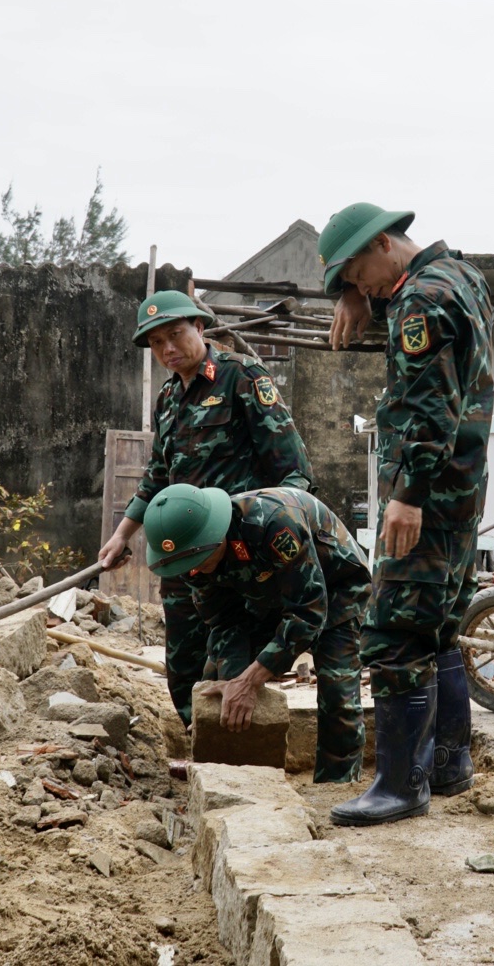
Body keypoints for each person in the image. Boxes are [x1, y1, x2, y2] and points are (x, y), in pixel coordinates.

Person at [317, 203, 494, 826]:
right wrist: (367, 300)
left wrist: (407, 494)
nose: (356, 289)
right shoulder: (458, 278)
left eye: (357, 274)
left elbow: (428, 402)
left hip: (428, 492)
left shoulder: (419, 303)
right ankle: (448, 764)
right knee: (439, 626)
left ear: (385, 244)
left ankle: (399, 784)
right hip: (462, 489)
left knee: (392, 631)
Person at [98, 289, 313, 727]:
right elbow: (157, 476)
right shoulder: (167, 399)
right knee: (184, 664)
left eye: (175, 336)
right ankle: (197, 745)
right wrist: (123, 534)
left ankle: (237, 760)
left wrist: (276, 537)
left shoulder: (243, 377)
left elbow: (294, 472)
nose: (168, 350)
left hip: (240, 554)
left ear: (200, 327)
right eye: (157, 344)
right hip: (186, 556)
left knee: (233, 667)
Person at [140, 483, 365, 782]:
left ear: (215, 534)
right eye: (188, 565)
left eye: (200, 561)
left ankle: (337, 783)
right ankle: (226, 773)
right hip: (266, 596)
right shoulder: (191, 557)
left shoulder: (273, 524)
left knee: (338, 692)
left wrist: (251, 679)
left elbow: (308, 612)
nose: (197, 571)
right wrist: (234, 681)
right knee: (213, 680)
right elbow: (224, 621)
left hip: (336, 588)